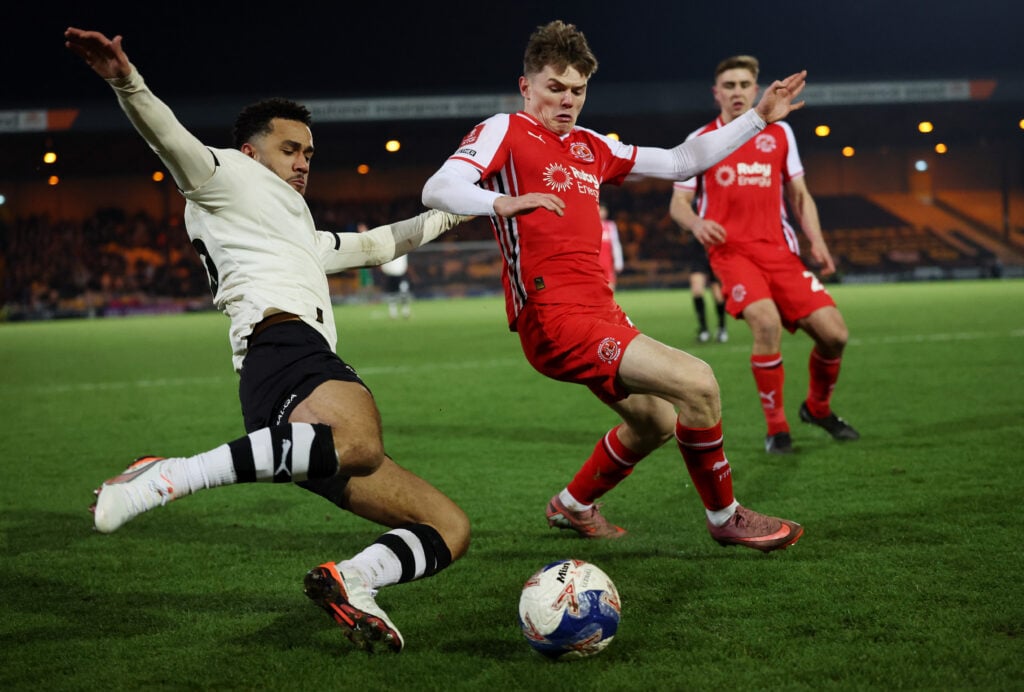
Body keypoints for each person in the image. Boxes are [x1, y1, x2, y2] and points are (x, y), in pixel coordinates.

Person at [66, 27, 471, 653]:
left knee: (448, 525)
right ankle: (168, 476)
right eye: (289, 149)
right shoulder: (226, 177)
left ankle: (354, 580)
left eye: (308, 151)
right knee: (360, 440)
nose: (303, 161)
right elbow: (169, 138)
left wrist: (469, 207)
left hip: (284, 382)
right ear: (250, 153)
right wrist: (126, 80)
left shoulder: (292, 225)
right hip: (282, 345)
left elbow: (377, 245)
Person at [422, 20, 807, 552]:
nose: (567, 100)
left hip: (601, 310)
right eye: (555, 87)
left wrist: (759, 117)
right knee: (698, 382)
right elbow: (438, 187)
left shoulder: (592, 146)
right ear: (526, 86)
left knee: (656, 422)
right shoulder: (504, 130)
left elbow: (682, 160)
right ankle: (725, 517)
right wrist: (499, 201)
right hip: (554, 316)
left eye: (578, 90)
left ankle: (572, 504)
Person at [669, 55, 860, 456]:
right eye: (729, 85)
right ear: (716, 93)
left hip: (779, 251)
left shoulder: (780, 133)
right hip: (731, 254)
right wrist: (697, 224)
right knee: (766, 322)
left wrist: (817, 241)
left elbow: (800, 194)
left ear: (755, 90)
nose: (737, 92)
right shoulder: (701, 139)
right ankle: (777, 430)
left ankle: (817, 409)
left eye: (744, 85)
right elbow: (678, 204)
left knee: (835, 336)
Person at [682, 234, 727, 343]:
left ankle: (722, 328)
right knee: (697, 290)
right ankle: (703, 329)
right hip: (699, 255)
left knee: (718, 295)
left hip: (715, 255)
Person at [598, 204, 624, 290]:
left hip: (607, 261)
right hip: (596, 260)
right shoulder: (592, 225)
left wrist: (618, 261)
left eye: (604, 211)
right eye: (600, 210)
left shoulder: (611, 225)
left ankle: (610, 298)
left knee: (611, 282)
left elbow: (615, 244)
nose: (602, 213)